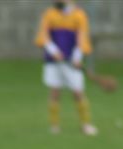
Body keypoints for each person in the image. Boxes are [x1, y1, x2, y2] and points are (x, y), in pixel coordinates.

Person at [34, 0, 98, 136]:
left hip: (71, 61)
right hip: (53, 62)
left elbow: (82, 38)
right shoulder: (49, 15)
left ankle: (85, 124)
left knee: (78, 92)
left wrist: (77, 58)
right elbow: (44, 36)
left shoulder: (79, 16)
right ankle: (54, 126)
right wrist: (53, 51)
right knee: (55, 91)